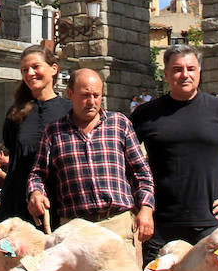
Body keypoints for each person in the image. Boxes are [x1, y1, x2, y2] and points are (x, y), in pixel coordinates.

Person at [132, 44, 218, 264]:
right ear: (166, 74)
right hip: (159, 227)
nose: (185, 74)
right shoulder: (146, 113)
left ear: (199, 72)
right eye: (177, 69)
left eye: (191, 69)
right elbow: (122, 158)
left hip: (210, 225)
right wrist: (138, 204)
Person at [27, 68, 155, 258]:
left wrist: (146, 209)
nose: (92, 101)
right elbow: (37, 174)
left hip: (116, 226)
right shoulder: (53, 132)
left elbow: (141, 173)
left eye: (97, 95)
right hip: (74, 230)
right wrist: (35, 193)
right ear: (70, 94)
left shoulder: (119, 124)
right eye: (85, 95)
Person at [0, 45, 73, 224]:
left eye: (35, 67)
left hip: (60, 202)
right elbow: (12, 150)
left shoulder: (70, 111)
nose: (30, 73)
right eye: (25, 70)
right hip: (18, 201)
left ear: (54, 69)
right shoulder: (15, 114)